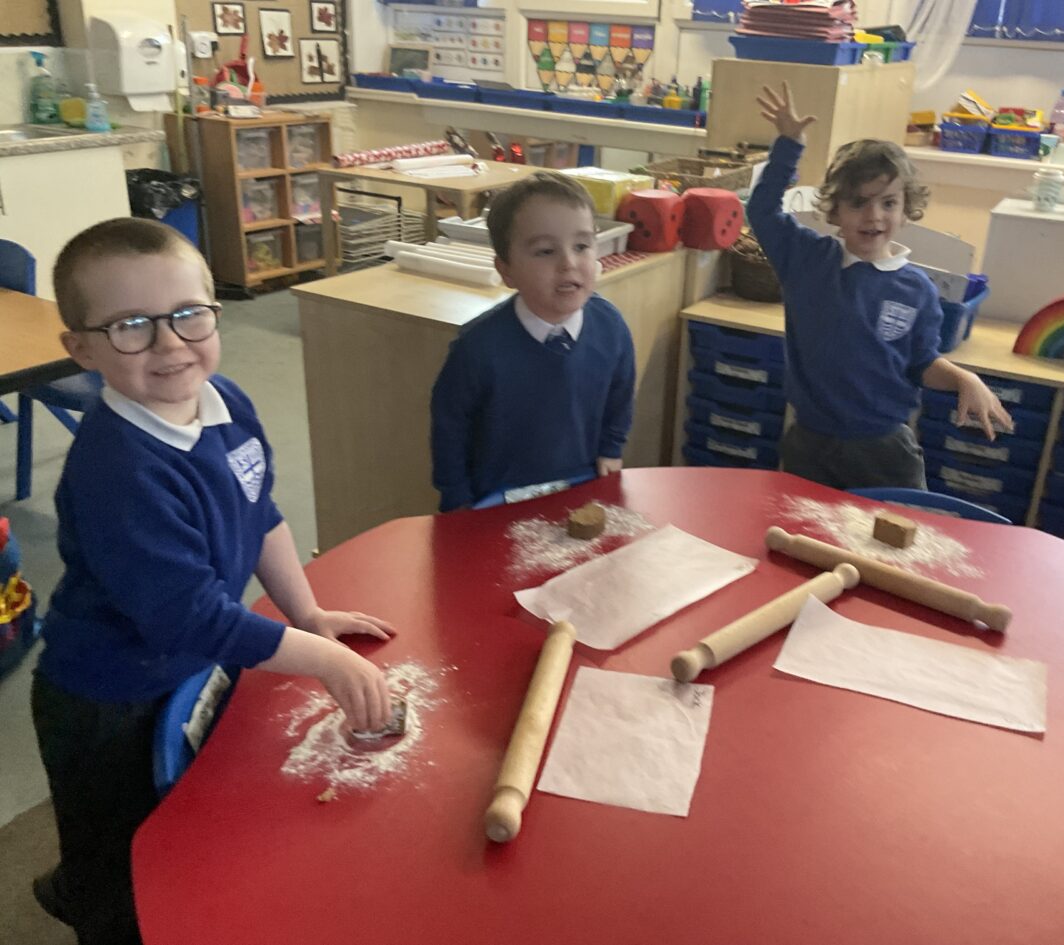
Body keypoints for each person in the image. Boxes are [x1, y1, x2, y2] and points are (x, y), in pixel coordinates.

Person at [30, 218, 397, 945]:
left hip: (187, 669)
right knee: (122, 867)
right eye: (131, 325)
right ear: (82, 349)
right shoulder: (119, 470)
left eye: (188, 314)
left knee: (181, 828)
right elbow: (190, 616)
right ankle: (86, 900)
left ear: (215, 311)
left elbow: (259, 513)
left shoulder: (225, 400)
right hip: (108, 698)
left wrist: (308, 614)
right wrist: (324, 660)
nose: (170, 344)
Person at [748, 83, 1012, 491]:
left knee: (896, 532)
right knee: (802, 529)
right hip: (809, 444)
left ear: (906, 210)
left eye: (888, 202)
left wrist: (965, 379)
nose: (874, 215)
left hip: (884, 450)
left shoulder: (917, 289)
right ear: (835, 210)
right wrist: (789, 145)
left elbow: (922, 363)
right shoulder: (807, 259)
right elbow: (762, 210)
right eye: (859, 202)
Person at [430, 172, 636, 511]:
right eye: (545, 251)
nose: (568, 263)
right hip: (496, 499)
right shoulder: (477, 348)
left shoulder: (610, 327)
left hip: (581, 488)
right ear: (507, 271)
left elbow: (621, 394)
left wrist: (612, 448)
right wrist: (456, 497)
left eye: (582, 246)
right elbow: (450, 427)